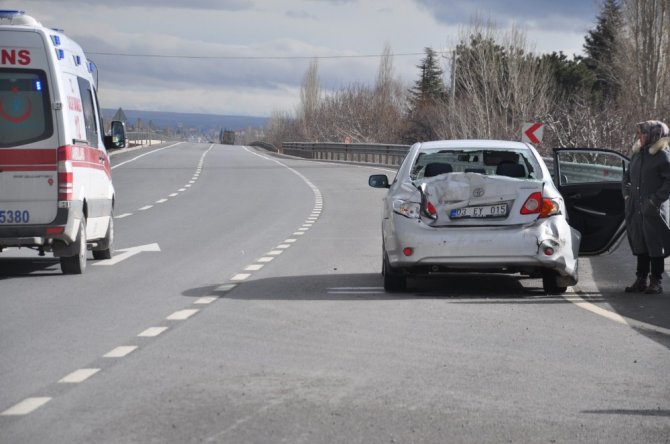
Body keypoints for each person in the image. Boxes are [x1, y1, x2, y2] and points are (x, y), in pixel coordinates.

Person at [623, 120, 670, 294]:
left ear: (654, 134)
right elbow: (626, 176)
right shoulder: (638, 154)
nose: (640, 137)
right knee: (640, 241)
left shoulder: (663, 155)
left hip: (653, 209)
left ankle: (656, 281)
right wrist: (627, 194)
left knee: (655, 244)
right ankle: (640, 279)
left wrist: (655, 201)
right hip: (636, 206)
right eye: (639, 133)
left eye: (643, 133)